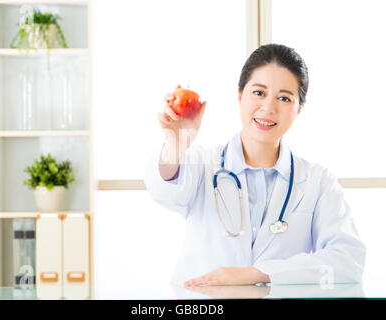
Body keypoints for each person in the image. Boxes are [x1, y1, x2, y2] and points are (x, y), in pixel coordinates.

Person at [144, 43, 366, 287]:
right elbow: (164, 190)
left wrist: (259, 273)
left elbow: (348, 262)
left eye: (284, 98)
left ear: (299, 109)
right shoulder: (202, 164)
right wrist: (176, 143)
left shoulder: (318, 181)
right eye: (259, 93)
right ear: (240, 94)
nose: (268, 108)